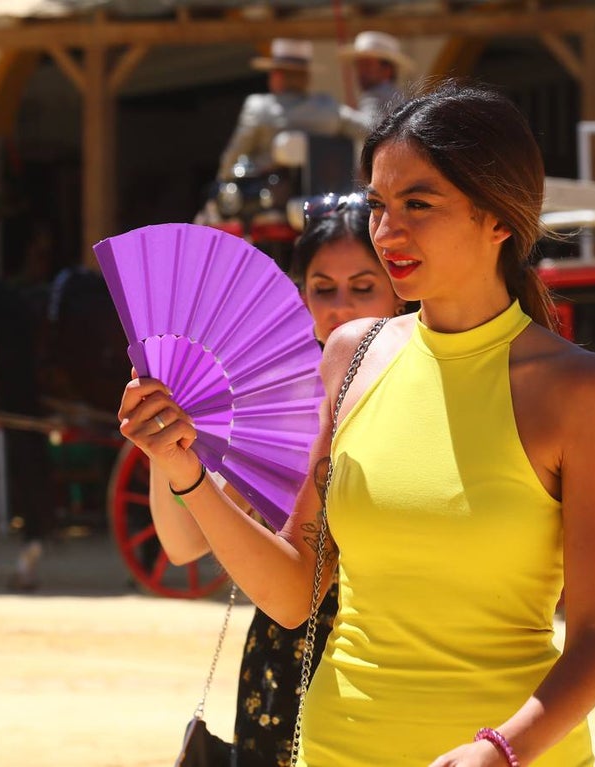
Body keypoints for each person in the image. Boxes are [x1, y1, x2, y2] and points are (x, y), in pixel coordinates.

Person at [120, 80, 595, 766]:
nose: (387, 232)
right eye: (378, 206)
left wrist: (503, 749)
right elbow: (296, 590)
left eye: (417, 205)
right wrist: (185, 468)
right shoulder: (352, 356)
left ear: (500, 218)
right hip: (339, 747)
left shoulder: (581, 390)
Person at [147, 195, 405, 766]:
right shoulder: (274, 406)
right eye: (323, 288)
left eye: (363, 288)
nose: (341, 308)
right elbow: (182, 543)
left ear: (399, 288)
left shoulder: (427, 398)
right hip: (283, 662)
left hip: (392, 663)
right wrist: (160, 443)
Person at [214, 38, 368, 182]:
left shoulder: (258, 108)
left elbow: (232, 159)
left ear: (278, 75)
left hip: (270, 200)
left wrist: (222, 180)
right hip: (323, 200)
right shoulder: (328, 108)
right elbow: (367, 129)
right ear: (307, 77)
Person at [337, 30, 414, 127]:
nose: (361, 70)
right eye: (358, 65)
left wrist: (339, 113)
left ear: (387, 70)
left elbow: (371, 128)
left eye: (367, 64)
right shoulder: (394, 94)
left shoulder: (380, 93)